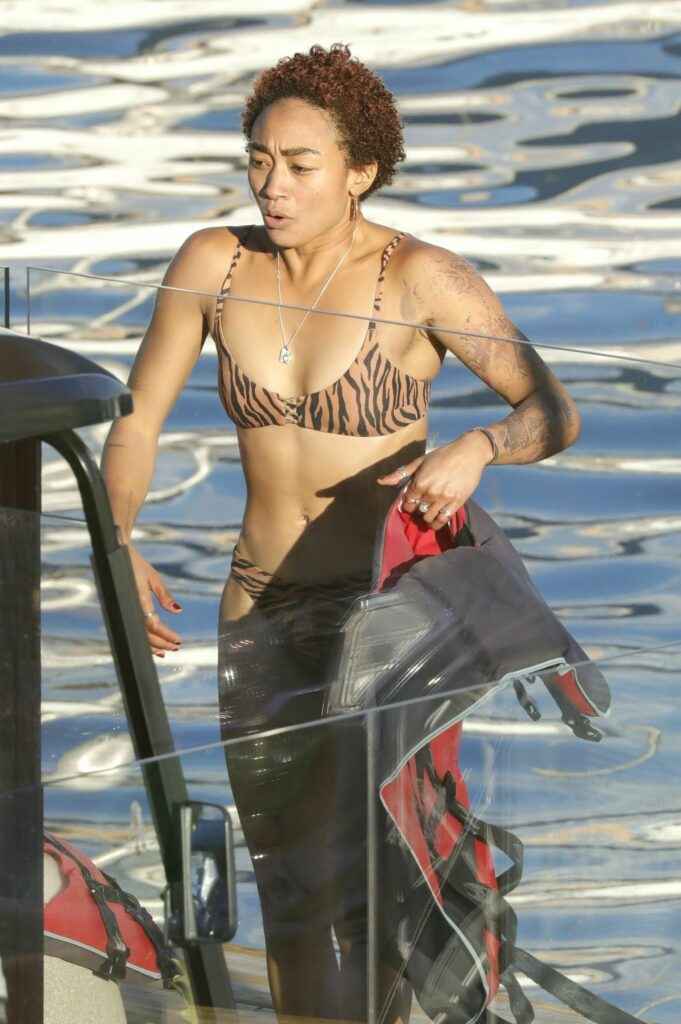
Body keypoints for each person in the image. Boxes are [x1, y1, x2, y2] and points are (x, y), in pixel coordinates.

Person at [101, 43, 581, 1022]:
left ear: (359, 171)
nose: (271, 185)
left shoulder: (421, 280)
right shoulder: (214, 263)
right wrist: (117, 538)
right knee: (287, 875)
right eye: (258, 160)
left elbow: (551, 408)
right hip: (259, 605)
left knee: (381, 883)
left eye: (299, 164)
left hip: (384, 623)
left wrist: (479, 446)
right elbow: (138, 419)